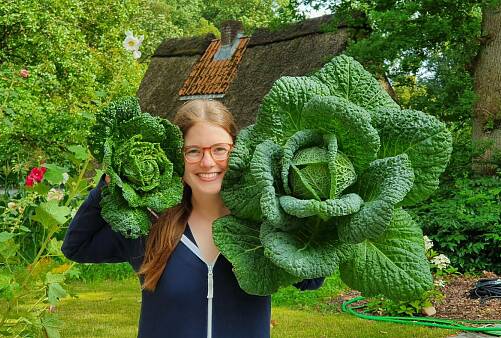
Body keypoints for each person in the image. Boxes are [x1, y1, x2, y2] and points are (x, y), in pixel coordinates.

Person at [61, 99, 324, 338]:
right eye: (193, 151)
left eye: (220, 149)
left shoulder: (262, 226)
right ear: (177, 156)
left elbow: (312, 279)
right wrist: (108, 185)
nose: (208, 162)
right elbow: (77, 246)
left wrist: (316, 210)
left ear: (237, 150)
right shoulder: (149, 224)